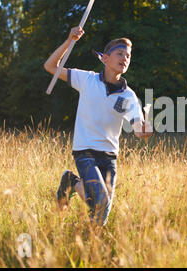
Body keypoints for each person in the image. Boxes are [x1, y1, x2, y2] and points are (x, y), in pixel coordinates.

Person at [44, 26, 152, 226]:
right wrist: (69, 40)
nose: (125, 58)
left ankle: (72, 182)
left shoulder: (128, 96)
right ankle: (90, 244)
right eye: (120, 53)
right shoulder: (86, 79)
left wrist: (144, 130)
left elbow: (137, 127)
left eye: (128, 56)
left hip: (109, 157)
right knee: (101, 202)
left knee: (100, 211)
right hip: (85, 152)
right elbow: (50, 66)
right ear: (105, 58)